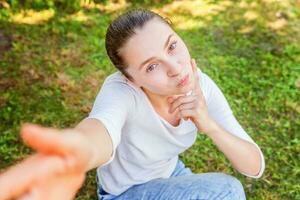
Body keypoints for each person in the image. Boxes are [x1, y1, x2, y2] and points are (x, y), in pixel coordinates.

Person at [0, 9, 265, 200]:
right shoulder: (121, 92)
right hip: (124, 193)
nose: (175, 68)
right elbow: (99, 130)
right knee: (227, 191)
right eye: (151, 66)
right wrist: (78, 152)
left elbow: (254, 166)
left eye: (172, 46)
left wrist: (210, 125)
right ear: (131, 79)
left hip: (171, 174)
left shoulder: (200, 85)